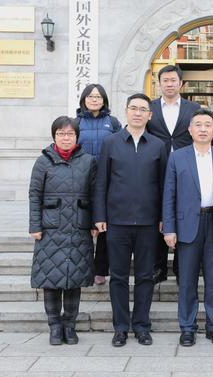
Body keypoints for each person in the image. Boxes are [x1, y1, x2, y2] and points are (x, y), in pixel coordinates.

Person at [93, 93, 167, 347]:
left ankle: (142, 326)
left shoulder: (158, 145)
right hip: (117, 221)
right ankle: (121, 327)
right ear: (126, 111)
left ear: (150, 115)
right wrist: (99, 215)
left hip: (148, 223)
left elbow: (164, 185)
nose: (137, 113)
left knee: (146, 276)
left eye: (142, 109)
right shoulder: (111, 143)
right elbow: (101, 182)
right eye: (133, 108)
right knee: (119, 277)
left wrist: (164, 217)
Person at [162, 109, 213, 347]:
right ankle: (187, 327)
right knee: (187, 281)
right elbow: (169, 195)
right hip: (187, 225)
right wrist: (169, 228)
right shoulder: (177, 157)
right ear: (190, 130)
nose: (203, 129)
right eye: (198, 124)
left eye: (208, 125)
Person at [29, 116, 97, 345]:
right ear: (54, 136)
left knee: (74, 279)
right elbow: (34, 195)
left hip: (78, 227)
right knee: (51, 279)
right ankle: (55, 327)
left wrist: (95, 222)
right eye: (61, 134)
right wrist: (35, 225)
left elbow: (95, 194)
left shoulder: (88, 161)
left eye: (70, 134)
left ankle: (70, 325)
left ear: (77, 137)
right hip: (51, 228)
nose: (65, 138)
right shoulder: (43, 161)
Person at [147, 65, 201, 284]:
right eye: (165, 80)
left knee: (183, 217)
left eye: (173, 80)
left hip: (186, 171)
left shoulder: (193, 108)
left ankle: (181, 268)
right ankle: (158, 267)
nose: (169, 84)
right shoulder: (149, 108)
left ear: (181, 84)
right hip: (155, 170)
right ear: (159, 83)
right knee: (158, 218)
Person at [75, 83, 121, 286]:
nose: (94, 100)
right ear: (84, 99)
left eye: (98, 97)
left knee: (104, 224)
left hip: (108, 178)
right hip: (82, 178)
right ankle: (82, 267)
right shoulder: (76, 123)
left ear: (104, 100)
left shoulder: (112, 122)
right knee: (83, 222)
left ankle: (101, 269)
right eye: (91, 96)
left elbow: (121, 146)